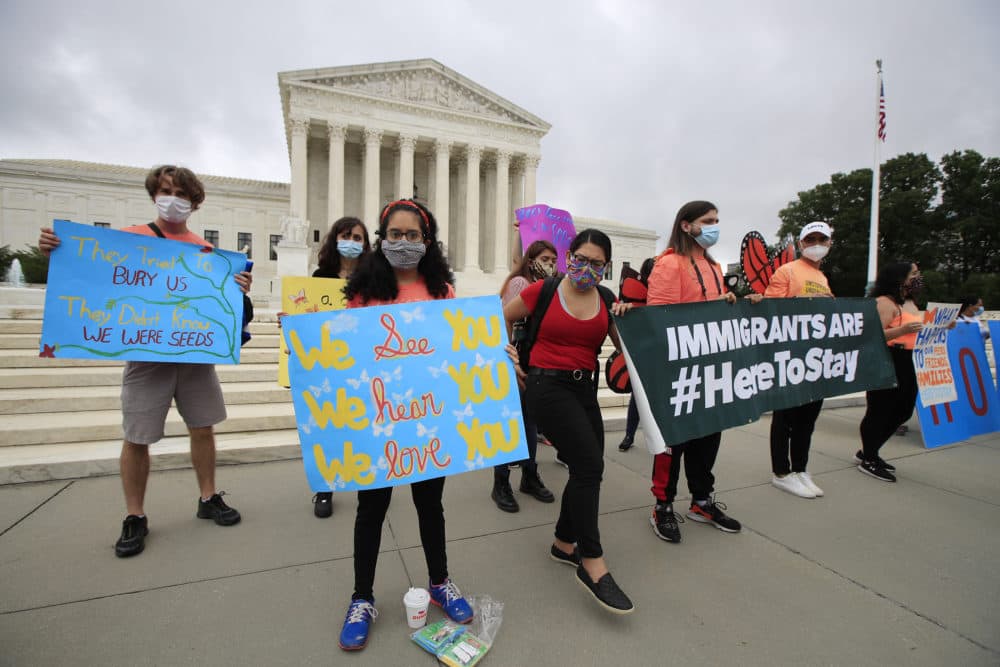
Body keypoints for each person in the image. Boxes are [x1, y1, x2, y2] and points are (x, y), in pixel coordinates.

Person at [37, 165, 253, 558]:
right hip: (145, 355)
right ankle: (135, 514)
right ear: (154, 194)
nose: (173, 200)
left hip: (194, 356)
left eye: (182, 194)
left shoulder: (205, 252)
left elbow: (219, 305)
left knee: (202, 428)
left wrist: (238, 288)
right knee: (137, 437)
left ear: (195, 202)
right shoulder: (129, 240)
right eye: (166, 191)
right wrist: (57, 250)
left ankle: (208, 497)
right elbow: (89, 277)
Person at [337, 199, 473, 651]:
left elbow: (459, 346)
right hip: (378, 422)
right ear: (382, 238)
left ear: (427, 241)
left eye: (412, 235)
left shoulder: (442, 293)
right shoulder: (365, 290)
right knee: (370, 510)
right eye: (394, 234)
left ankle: (440, 581)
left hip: (427, 421)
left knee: (430, 505)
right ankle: (362, 598)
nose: (402, 242)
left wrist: (495, 353)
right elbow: (340, 347)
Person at [504, 228, 635, 614]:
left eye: (596, 263)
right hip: (545, 385)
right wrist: (508, 357)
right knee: (589, 465)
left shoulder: (606, 299)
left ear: (606, 267)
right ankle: (591, 561)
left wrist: (628, 315)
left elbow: (628, 342)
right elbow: (498, 318)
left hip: (584, 389)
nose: (586, 268)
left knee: (587, 467)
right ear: (568, 258)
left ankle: (564, 543)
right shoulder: (541, 292)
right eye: (580, 259)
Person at [645, 201, 760, 543]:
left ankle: (701, 500)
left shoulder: (712, 265)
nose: (714, 226)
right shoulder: (669, 264)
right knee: (673, 441)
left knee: (708, 437)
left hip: (712, 371)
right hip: (679, 371)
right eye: (707, 221)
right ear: (686, 226)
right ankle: (662, 506)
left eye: (717, 221)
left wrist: (736, 302)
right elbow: (661, 319)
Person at [764, 221, 834, 499]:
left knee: (808, 418)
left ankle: (801, 469)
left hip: (816, 357)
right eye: (811, 238)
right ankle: (781, 472)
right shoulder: (787, 271)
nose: (816, 243)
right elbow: (770, 312)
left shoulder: (823, 278)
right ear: (802, 243)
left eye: (822, 239)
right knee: (786, 417)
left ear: (829, 243)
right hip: (790, 357)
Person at [309, 216, 370, 518]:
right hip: (330, 363)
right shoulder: (320, 277)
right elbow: (308, 314)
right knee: (329, 428)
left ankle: (367, 481)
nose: (352, 242)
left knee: (363, 425)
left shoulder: (372, 279)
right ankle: (325, 487)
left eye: (358, 238)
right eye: (347, 236)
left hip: (363, 362)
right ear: (335, 239)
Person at [490, 240, 558, 513]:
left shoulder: (550, 286)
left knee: (530, 423)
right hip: (517, 361)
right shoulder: (520, 284)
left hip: (534, 362)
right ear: (531, 261)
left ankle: (529, 475)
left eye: (553, 258)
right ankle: (501, 482)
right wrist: (511, 361)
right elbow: (506, 320)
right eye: (545, 258)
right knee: (512, 425)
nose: (550, 263)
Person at [854, 262, 924, 482]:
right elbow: (871, 335)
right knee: (879, 409)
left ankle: (869, 449)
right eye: (913, 273)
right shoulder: (885, 302)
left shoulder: (910, 302)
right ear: (899, 277)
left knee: (904, 409)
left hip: (907, 359)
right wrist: (901, 330)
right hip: (887, 357)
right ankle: (870, 456)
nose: (918, 276)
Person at [617, 256, 655, 452]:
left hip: (659, 352)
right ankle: (630, 434)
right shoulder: (637, 297)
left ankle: (631, 435)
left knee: (640, 397)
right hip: (644, 353)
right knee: (638, 396)